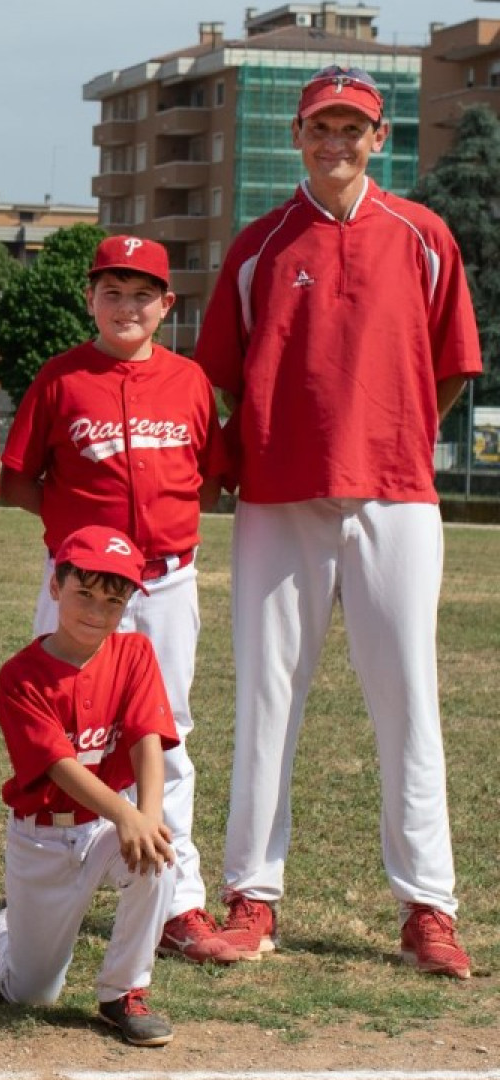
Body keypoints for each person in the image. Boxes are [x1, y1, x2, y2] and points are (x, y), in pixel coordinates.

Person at [195, 65, 482, 977]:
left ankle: (428, 908)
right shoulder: (259, 246)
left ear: (379, 135)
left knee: (409, 699)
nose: (337, 143)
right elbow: (227, 378)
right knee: (266, 698)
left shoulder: (423, 234)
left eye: (353, 128)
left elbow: (450, 366)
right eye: (323, 126)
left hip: (397, 496)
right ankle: (253, 896)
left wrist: (389, 436)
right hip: (280, 499)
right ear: (300, 135)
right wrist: (286, 441)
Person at [0, 235, 233, 964]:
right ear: (89, 299)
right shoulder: (63, 377)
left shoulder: (190, 381)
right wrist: (76, 543)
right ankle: (56, 874)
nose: (126, 306)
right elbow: (17, 479)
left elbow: (208, 475)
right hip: (81, 585)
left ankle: (179, 900)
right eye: (111, 291)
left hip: (163, 579)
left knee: (169, 732)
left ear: (167, 305)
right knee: (64, 726)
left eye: (142, 294)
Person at [0, 526, 180, 1048]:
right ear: (56, 586)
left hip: (100, 829)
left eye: (113, 601)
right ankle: (7, 931)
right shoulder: (21, 675)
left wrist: (147, 814)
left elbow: (147, 739)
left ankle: (123, 992)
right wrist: (126, 814)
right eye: (84, 595)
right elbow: (59, 765)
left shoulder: (135, 653)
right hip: (43, 837)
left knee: (161, 857)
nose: (97, 612)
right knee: (30, 994)